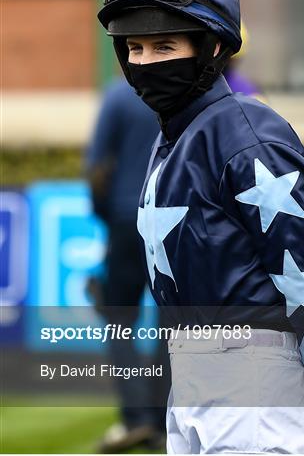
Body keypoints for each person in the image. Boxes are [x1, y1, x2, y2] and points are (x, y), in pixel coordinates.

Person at [97, 0, 304, 454]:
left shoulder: (248, 135)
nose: (143, 63)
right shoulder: (177, 136)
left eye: (164, 46)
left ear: (213, 46)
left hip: (251, 392)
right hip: (195, 378)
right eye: (134, 48)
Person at [85, 78, 168, 452]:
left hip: (125, 219)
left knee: (117, 318)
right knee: (173, 324)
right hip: (172, 220)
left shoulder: (119, 96)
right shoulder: (188, 94)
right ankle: (163, 419)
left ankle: (137, 418)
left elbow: (97, 167)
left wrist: (108, 216)